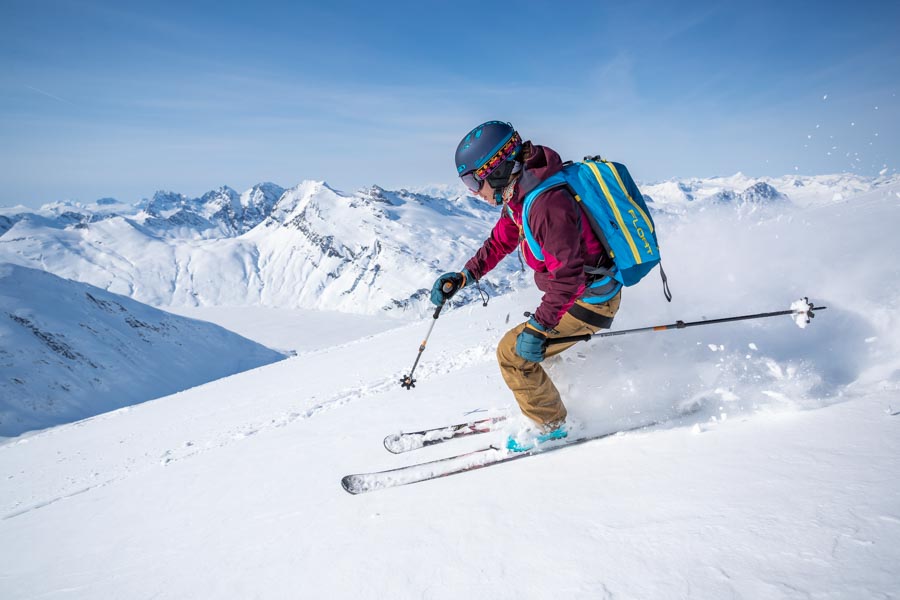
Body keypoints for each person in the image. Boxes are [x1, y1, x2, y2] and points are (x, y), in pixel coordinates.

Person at [431, 120, 622, 452]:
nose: (473, 192)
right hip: (580, 292)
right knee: (532, 344)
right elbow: (500, 241)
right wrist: (466, 276)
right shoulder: (523, 193)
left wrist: (540, 326)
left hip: (590, 299)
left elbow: (569, 278)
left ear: (496, 167)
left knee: (512, 353)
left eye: (473, 181)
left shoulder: (547, 204)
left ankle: (552, 425)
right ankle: (550, 394)